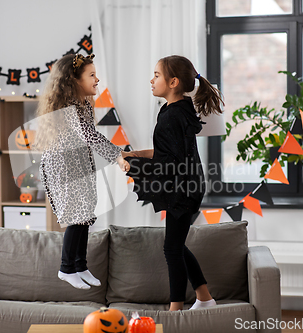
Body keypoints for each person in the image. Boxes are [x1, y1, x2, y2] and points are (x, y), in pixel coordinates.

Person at [125, 55, 224, 311]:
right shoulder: (176, 108)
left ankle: (175, 311)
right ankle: (204, 298)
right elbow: (167, 152)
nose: (151, 79)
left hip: (184, 188)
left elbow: (170, 163)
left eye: (156, 75)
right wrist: (135, 155)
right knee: (175, 246)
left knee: (171, 249)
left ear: (173, 82)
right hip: (188, 183)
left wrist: (132, 166)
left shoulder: (172, 115)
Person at [36, 53, 131, 290]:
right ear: (74, 80)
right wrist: (117, 155)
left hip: (78, 165)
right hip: (63, 168)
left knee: (86, 214)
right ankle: (66, 268)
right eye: (91, 75)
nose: (97, 80)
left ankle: (80, 265)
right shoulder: (71, 107)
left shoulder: (83, 105)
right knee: (77, 217)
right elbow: (89, 136)